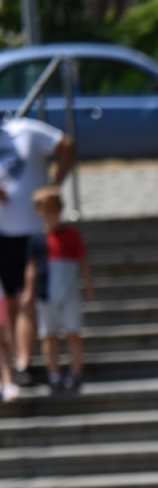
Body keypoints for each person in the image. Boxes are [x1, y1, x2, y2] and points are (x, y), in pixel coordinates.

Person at [0, 115, 75, 401]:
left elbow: (66, 144)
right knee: (9, 302)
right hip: (2, 232)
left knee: (26, 299)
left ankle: (22, 363)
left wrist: (54, 187)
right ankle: (12, 367)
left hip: (30, 232)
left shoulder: (25, 130)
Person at [30, 187, 95, 394]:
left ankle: (75, 373)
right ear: (39, 211)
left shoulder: (71, 235)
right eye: (45, 209)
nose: (50, 213)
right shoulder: (36, 240)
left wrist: (89, 285)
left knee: (73, 333)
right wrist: (28, 292)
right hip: (45, 294)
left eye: (54, 208)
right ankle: (54, 374)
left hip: (69, 293)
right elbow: (31, 269)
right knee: (49, 335)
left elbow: (83, 262)